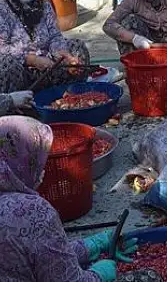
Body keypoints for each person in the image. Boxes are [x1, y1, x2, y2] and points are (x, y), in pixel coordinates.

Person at [0, 116, 139, 281]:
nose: (43, 172)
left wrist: (91, 246)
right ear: (22, 162)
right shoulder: (31, 212)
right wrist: (98, 275)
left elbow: (41, 255)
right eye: (37, 162)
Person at [0, 0, 90, 93]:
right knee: (5, 65)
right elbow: (2, 48)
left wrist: (63, 54)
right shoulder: (2, 9)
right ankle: (18, 105)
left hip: (49, 63)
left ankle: (71, 94)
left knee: (77, 46)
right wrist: (32, 60)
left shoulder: (43, 5)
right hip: (21, 69)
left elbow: (55, 35)